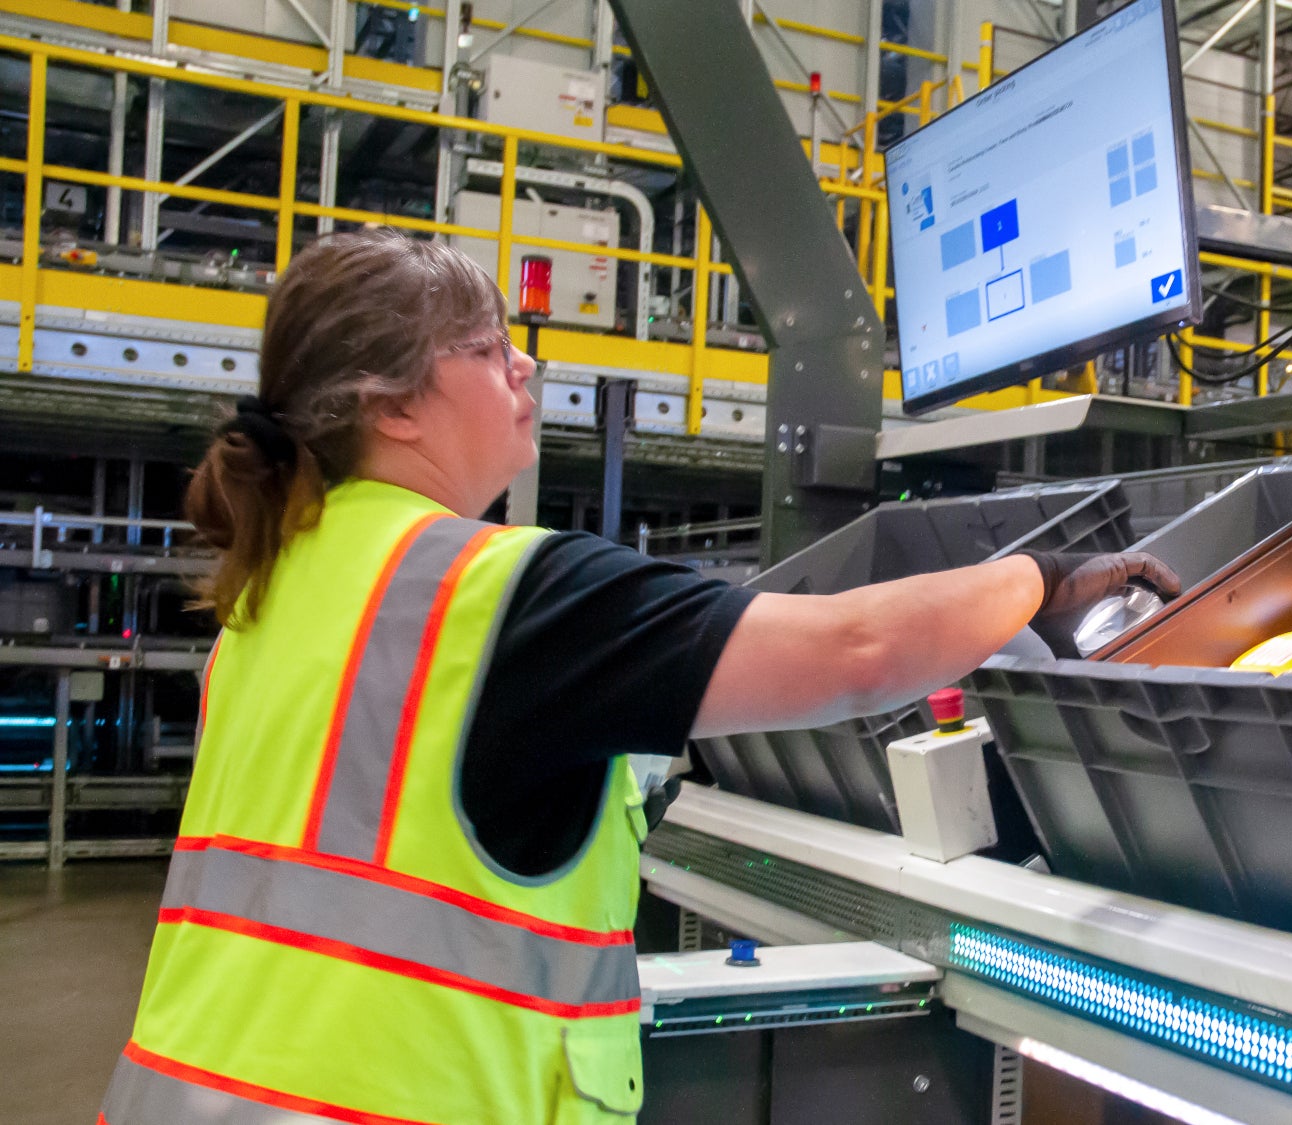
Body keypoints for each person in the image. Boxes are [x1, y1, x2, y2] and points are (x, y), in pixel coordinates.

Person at [99, 230, 1179, 1124]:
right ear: (392, 407)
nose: (523, 371)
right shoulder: (498, 594)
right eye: (487, 351)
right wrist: (1045, 579)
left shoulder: (273, 593)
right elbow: (857, 650)